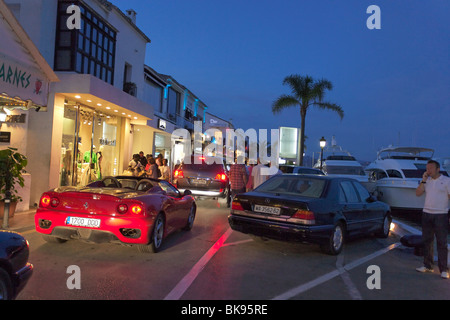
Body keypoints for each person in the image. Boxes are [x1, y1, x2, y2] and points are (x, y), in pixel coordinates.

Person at [415, 160, 450, 279]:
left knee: (441, 242)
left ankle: (444, 269)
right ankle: (428, 265)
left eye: (430, 168)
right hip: (427, 213)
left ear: (438, 169)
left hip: (441, 214)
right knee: (427, 241)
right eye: (427, 168)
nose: (428, 170)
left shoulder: (446, 181)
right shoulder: (427, 181)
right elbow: (418, 193)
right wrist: (423, 180)